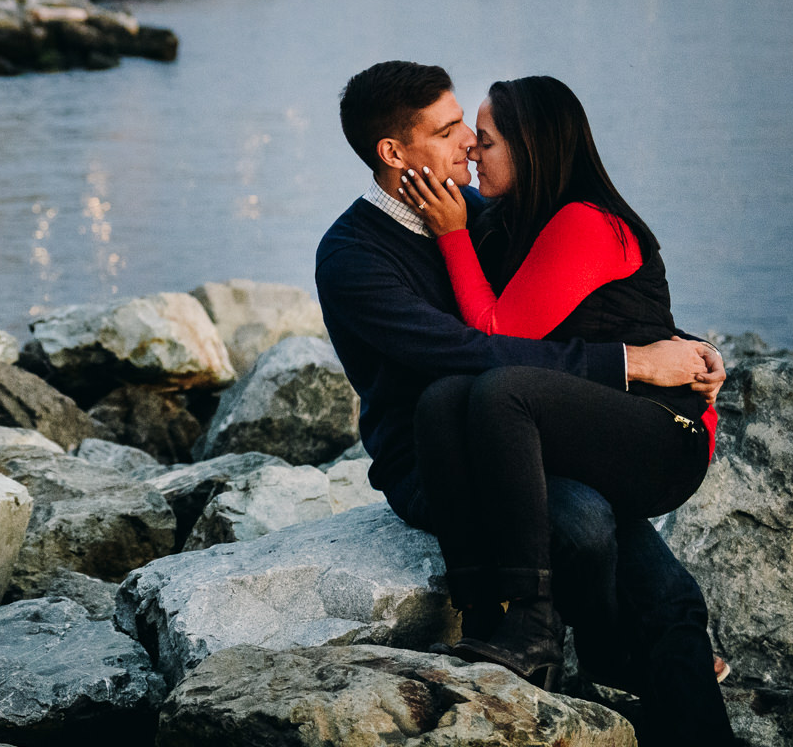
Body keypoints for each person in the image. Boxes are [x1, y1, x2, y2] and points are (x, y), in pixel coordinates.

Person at [314, 61, 732, 746]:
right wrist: (631, 366)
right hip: (437, 456)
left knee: (671, 601)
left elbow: (577, 304)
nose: (468, 148)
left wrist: (676, 348)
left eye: (472, 132)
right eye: (450, 132)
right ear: (394, 153)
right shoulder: (354, 257)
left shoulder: (479, 212)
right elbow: (471, 354)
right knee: (588, 520)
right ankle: (583, 645)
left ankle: (666, 698)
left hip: (532, 432)